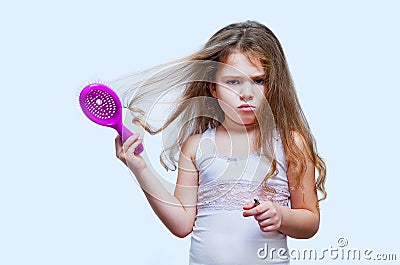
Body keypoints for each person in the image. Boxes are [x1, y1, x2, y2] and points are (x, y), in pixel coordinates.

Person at [114, 20, 326, 264]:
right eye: (233, 82)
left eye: (258, 80)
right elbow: (182, 224)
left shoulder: (291, 143)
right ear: (213, 88)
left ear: (273, 86)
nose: (246, 93)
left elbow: (310, 221)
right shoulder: (196, 147)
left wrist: (282, 216)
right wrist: (139, 168)